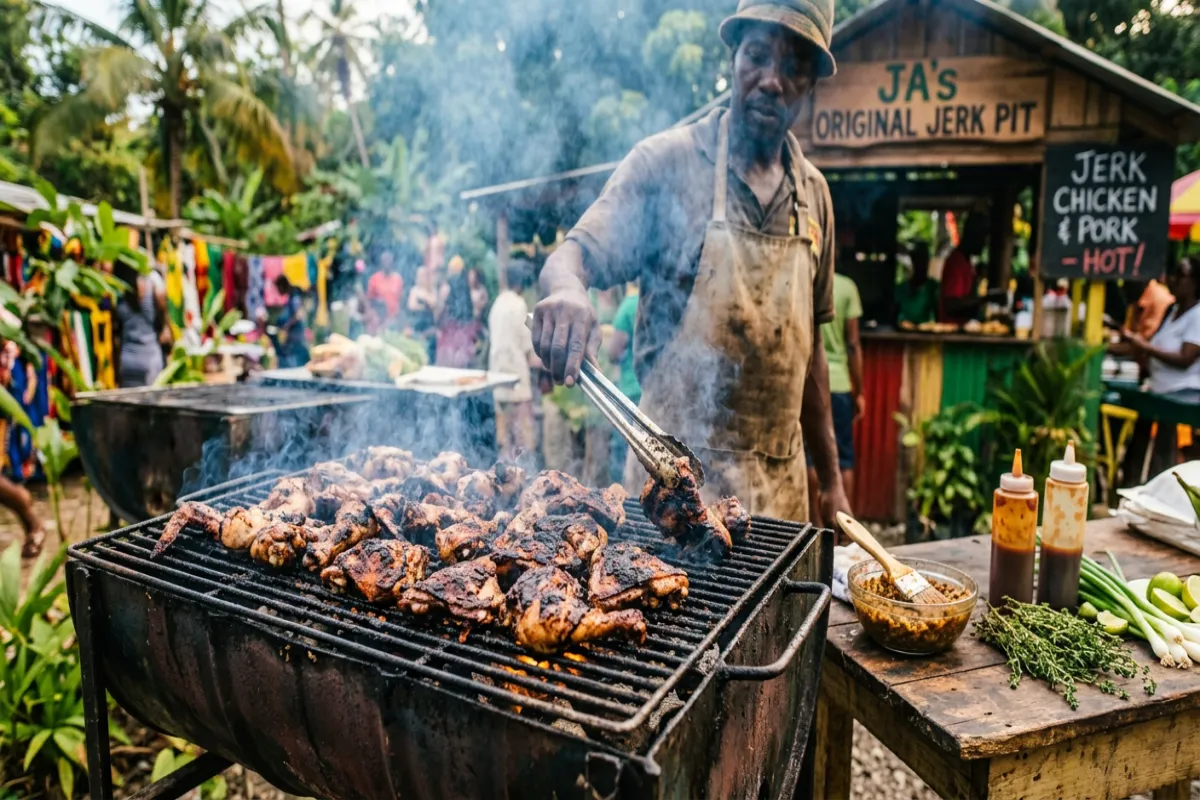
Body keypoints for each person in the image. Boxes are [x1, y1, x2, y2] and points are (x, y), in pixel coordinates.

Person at [531, 0, 851, 523]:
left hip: (780, 507)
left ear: (812, 82)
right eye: (756, 56)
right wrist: (567, 290)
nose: (771, 80)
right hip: (672, 501)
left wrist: (833, 483)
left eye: (793, 66)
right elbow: (571, 258)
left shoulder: (814, 196)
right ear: (731, 58)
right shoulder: (667, 163)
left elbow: (812, 353)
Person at [807, 272, 864, 524]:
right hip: (839, 383)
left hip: (810, 382)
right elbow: (852, 344)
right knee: (843, 459)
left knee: (811, 457)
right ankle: (844, 530)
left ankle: (817, 527)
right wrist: (859, 390)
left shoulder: (807, 281)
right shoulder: (847, 286)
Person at [1124, 258, 1200, 402]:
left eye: (1180, 275)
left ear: (1195, 282)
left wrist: (1147, 348)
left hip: (1183, 393)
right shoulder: (1171, 310)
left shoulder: (1197, 315)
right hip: (1158, 388)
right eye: (1172, 274)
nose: (1173, 279)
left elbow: (1186, 358)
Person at [488, 260, 540, 460]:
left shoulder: (497, 304)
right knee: (523, 438)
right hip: (517, 379)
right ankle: (524, 477)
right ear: (521, 283)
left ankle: (503, 479)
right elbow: (528, 349)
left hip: (497, 377)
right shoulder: (519, 305)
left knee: (504, 439)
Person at [606, 284, 641, 483]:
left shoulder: (628, 306)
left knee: (621, 452)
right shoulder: (659, 301)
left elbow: (614, 352)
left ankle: (623, 498)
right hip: (653, 393)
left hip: (630, 391)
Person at [114, 261, 165, 387]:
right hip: (151, 358)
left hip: (128, 361)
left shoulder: (118, 296)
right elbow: (162, 311)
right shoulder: (151, 287)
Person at [939, 214, 988, 325]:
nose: (984, 244)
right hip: (952, 331)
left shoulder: (967, 262)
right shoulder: (956, 262)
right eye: (982, 238)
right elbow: (952, 305)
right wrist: (983, 300)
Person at [436, 256, 483, 368]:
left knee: (447, 367)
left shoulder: (446, 288)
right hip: (465, 334)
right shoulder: (467, 288)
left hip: (449, 333)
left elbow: (440, 311)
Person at [895, 242, 939, 326]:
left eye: (924, 260)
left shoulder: (933, 288)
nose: (921, 264)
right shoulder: (901, 289)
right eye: (918, 260)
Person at [273, 275, 309, 368]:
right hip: (293, 336)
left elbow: (299, 314)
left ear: (282, 286)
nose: (278, 291)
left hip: (296, 335)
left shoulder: (295, 296)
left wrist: (287, 326)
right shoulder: (291, 296)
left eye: (278, 288)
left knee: (298, 360)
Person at [408, 263, 440, 363]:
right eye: (420, 275)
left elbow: (434, 305)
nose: (422, 278)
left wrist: (424, 301)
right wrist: (425, 304)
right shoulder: (414, 290)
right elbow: (412, 306)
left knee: (430, 355)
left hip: (429, 328)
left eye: (425, 275)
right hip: (417, 328)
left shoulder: (432, 290)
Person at [367, 250, 405, 329]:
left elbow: (401, 301)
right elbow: (369, 300)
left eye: (389, 261)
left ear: (392, 262)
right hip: (378, 320)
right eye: (385, 261)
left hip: (393, 320)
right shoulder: (374, 279)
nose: (387, 263)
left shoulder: (398, 279)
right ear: (381, 262)